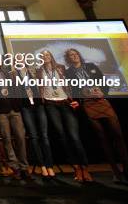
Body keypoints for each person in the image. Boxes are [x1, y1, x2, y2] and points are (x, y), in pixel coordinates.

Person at [64, 48, 128, 188]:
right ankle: (116, 172)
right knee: (102, 137)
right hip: (87, 104)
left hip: (101, 101)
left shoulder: (91, 66)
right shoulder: (69, 72)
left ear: (79, 55)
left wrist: (102, 91)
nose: (74, 56)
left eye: (75, 54)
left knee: (117, 134)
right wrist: (78, 100)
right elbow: (72, 89)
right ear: (68, 58)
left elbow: (103, 81)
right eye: (71, 55)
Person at [37, 50, 91, 182]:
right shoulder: (39, 71)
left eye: (48, 55)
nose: (46, 57)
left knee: (74, 136)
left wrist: (74, 99)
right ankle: (76, 167)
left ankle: (85, 168)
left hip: (65, 102)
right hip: (50, 104)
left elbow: (70, 84)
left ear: (51, 56)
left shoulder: (61, 68)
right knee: (62, 136)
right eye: (43, 56)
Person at [0, 59, 31, 180]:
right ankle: (15, 167)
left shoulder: (9, 73)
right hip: (0, 110)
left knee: (20, 137)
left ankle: (24, 167)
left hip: (14, 109)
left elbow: (17, 89)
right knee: (7, 139)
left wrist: (19, 104)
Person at [14, 63, 55, 179]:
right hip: (25, 107)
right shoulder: (13, 74)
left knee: (44, 135)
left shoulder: (34, 72)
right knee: (33, 136)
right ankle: (42, 166)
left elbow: (43, 85)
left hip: (38, 105)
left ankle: (50, 165)